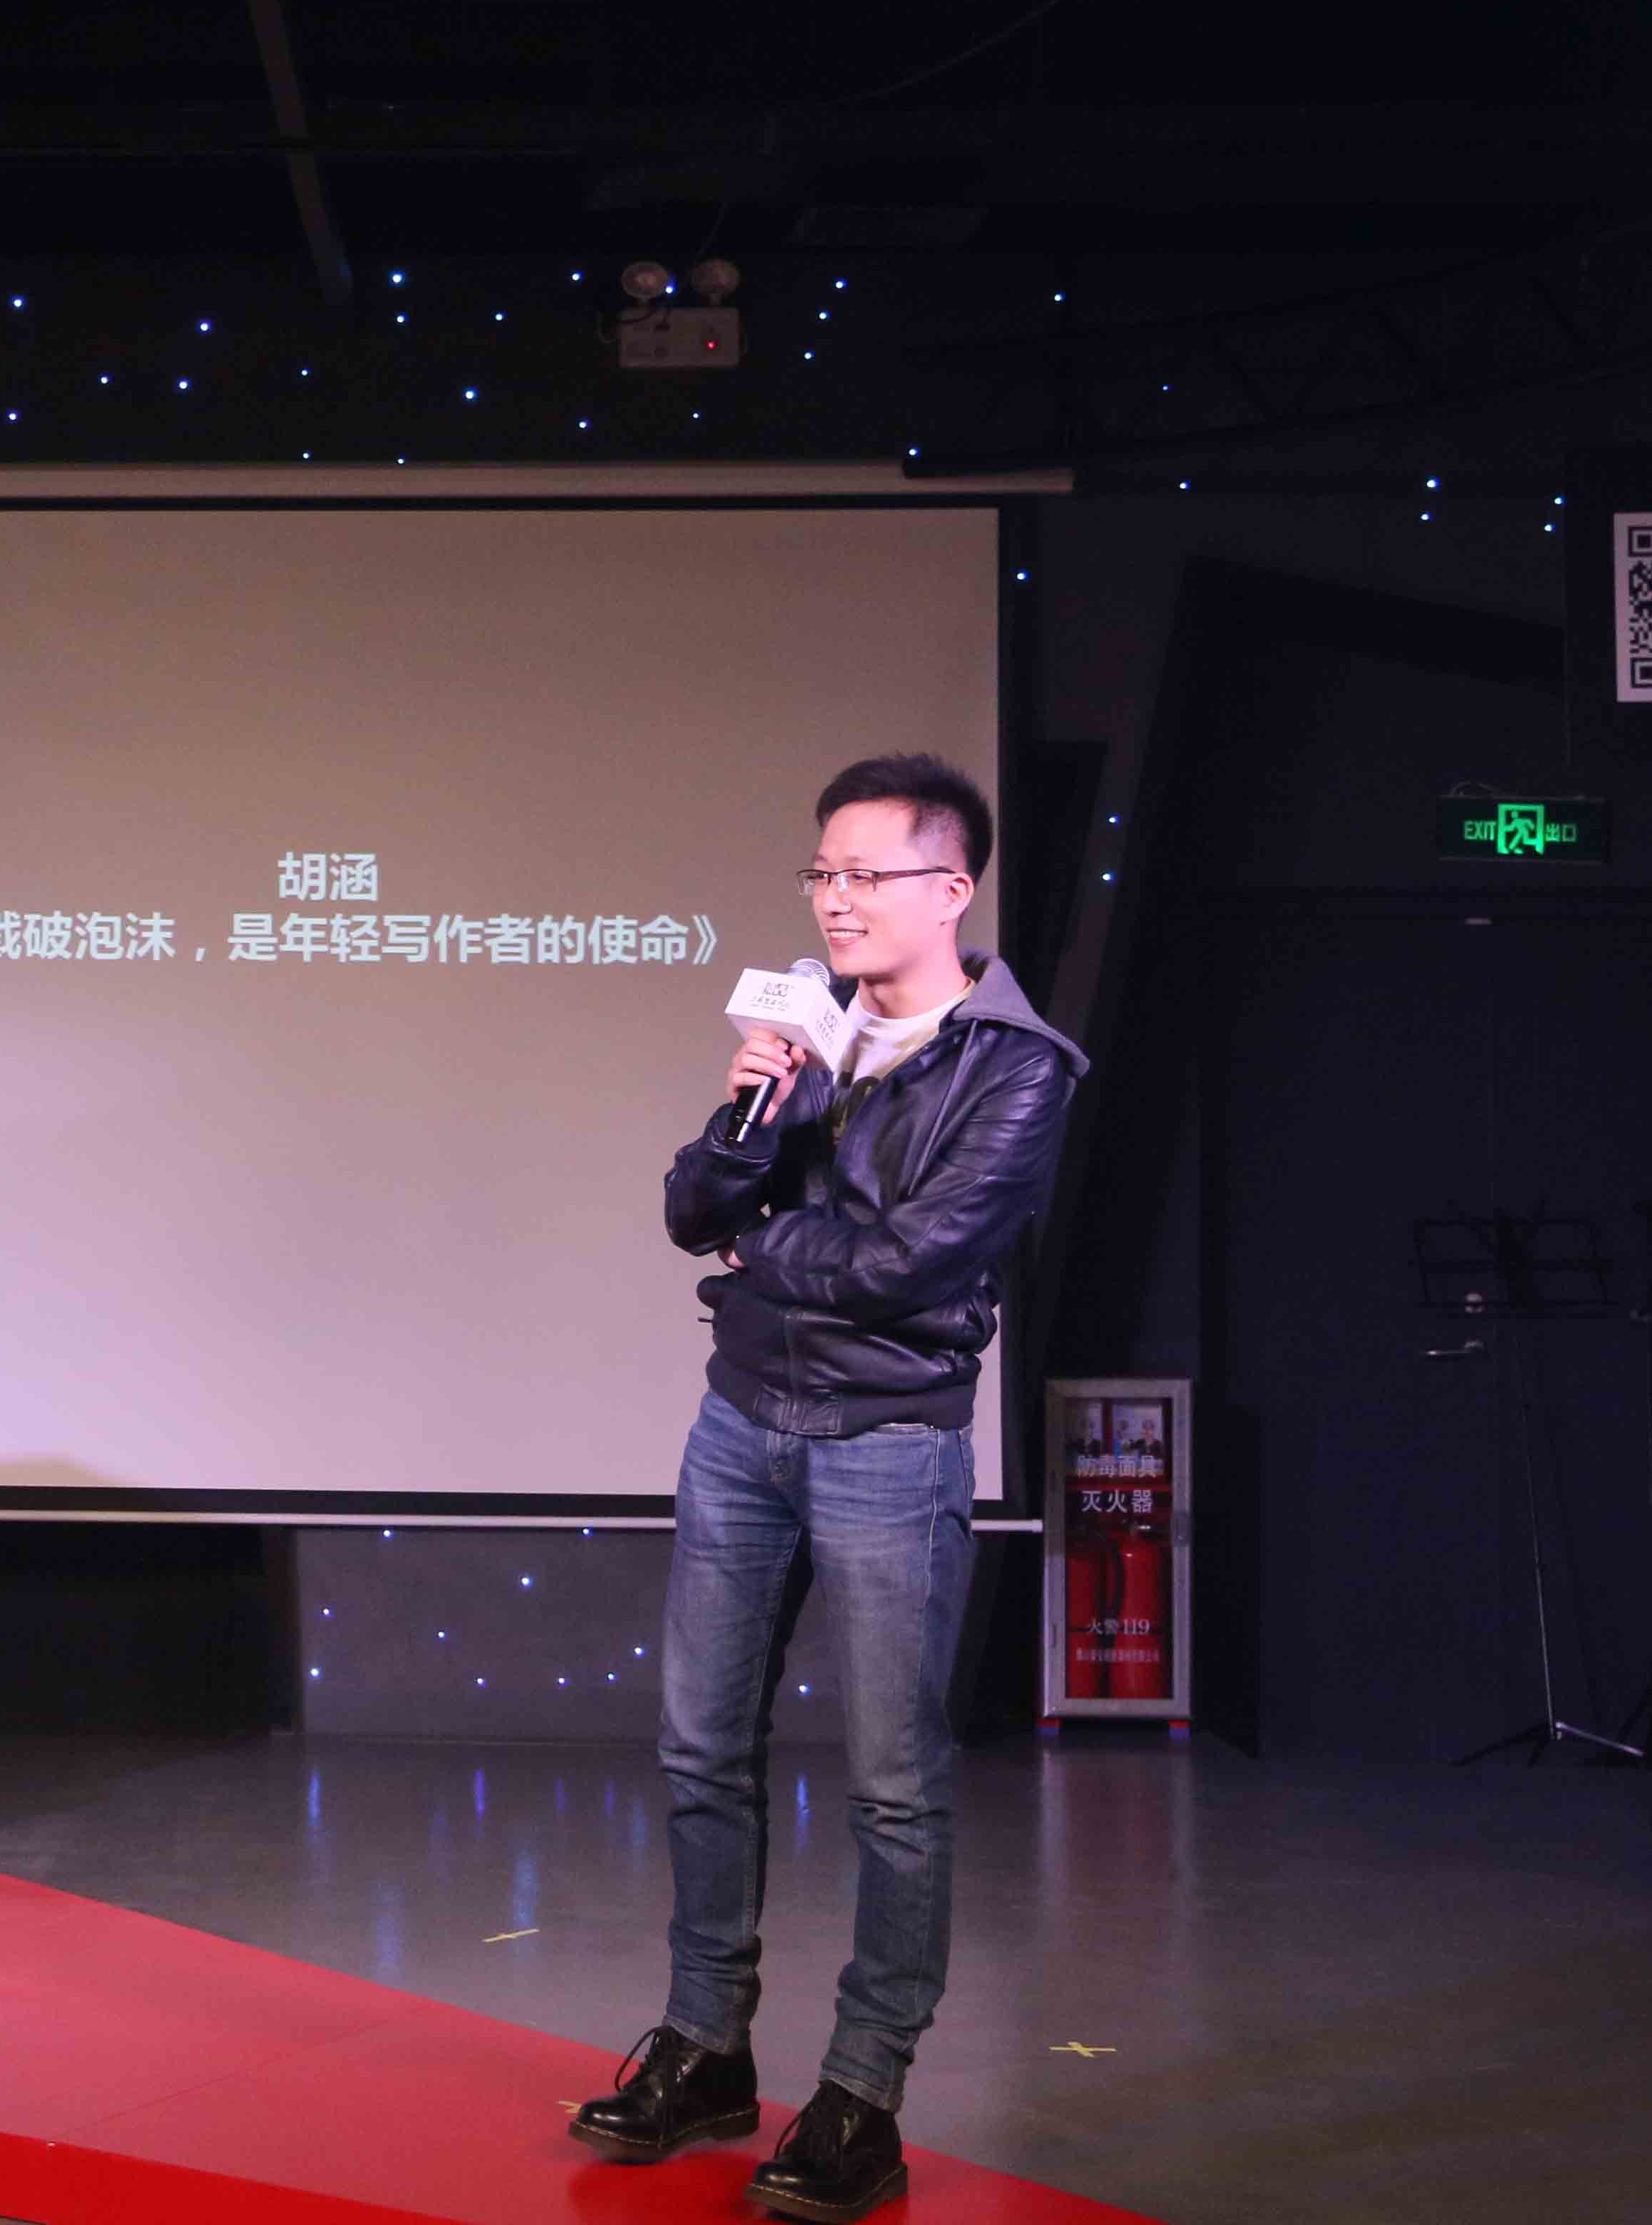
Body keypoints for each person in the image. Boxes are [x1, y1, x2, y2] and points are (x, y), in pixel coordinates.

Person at [570, 753, 1088, 2224]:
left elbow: (911, 1266)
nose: (835, 899)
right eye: (821, 873)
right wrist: (750, 1111)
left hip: (888, 1441)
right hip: (741, 1422)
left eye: (866, 874)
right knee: (699, 1747)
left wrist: (760, 1253)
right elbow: (689, 1209)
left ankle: (861, 2093)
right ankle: (705, 2047)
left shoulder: (1019, 1066)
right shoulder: (803, 1031)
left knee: (893, 1787)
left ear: (951, 887)